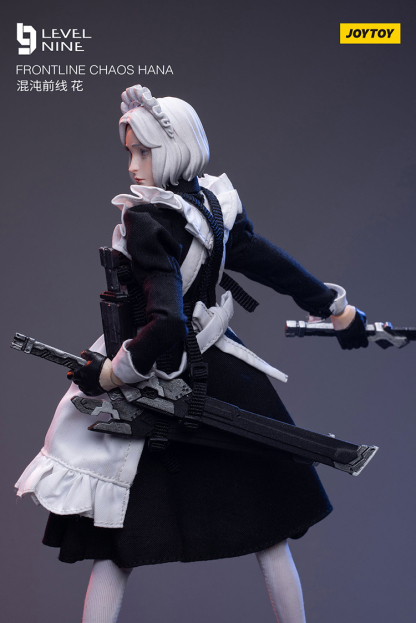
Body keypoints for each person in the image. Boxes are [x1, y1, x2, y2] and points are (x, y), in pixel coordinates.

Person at [15, 85, 368, 623]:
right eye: (130, 152)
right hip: (223, 371)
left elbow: (167, 324)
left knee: (117, 546)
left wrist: (112, 375)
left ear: (174, 150)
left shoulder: (148, 220)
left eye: (144, 152)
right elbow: (273, 266)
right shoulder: (216, 205)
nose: (133, 166)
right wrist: (335, 309)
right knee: (269, 535)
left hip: (158, 375)